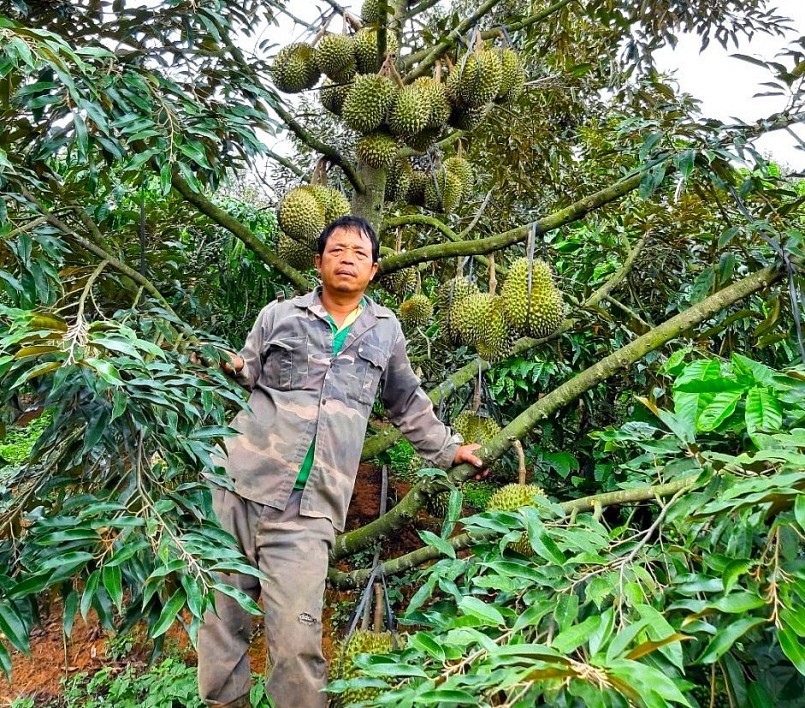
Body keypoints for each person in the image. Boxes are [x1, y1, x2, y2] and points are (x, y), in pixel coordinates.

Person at [197, 215, 484, 708]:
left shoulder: (385, 330)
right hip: (239, 487)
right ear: (317, 262)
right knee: (221, 625)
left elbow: (406, 401)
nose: (347, 258)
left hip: (310, 511)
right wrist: (228, 364)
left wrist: (447, 448)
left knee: (298, 642)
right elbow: (246, 372)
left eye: (358, 253)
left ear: (373, 269)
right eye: (336, 250)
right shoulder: (278, 315)